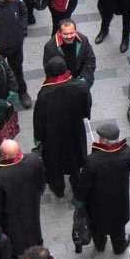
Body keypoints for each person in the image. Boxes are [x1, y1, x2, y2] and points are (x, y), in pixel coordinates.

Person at [73, 122, 130, 254]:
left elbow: (84, 185)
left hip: (97, 204)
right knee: (118, 228)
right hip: (119, 201)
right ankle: (119, 247)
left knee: (97, 228)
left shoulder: (92, 161)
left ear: (103, 140)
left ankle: (100, 245)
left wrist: (78, 200)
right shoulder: (128, 155)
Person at [32, 55, 90, 197]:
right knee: (75, 157)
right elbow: (86, 107)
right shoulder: (80, 87)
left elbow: (39, 119)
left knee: (55, 161)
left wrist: (39, 138)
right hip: (74, 131)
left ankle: (58, 188)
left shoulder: (45, 94)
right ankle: (76, 181)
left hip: (53, 135)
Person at [0, 139, 46, 256]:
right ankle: (36, 242)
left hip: (11, 210)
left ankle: (15, 251)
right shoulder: (34, 159)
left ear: (5, 156)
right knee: (33, 223)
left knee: (14, 231)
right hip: (32, 202)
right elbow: (42, 178)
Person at [42, 18, 96, 84]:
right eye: (65, 34)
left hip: (82, 80)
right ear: (59, 33)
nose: (69, 36)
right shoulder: (50, 47)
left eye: (72, 33)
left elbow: (90, 60)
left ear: (75, 31)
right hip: (62, 84)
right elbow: (49, 69)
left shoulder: (83, 39)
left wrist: (83, 80)